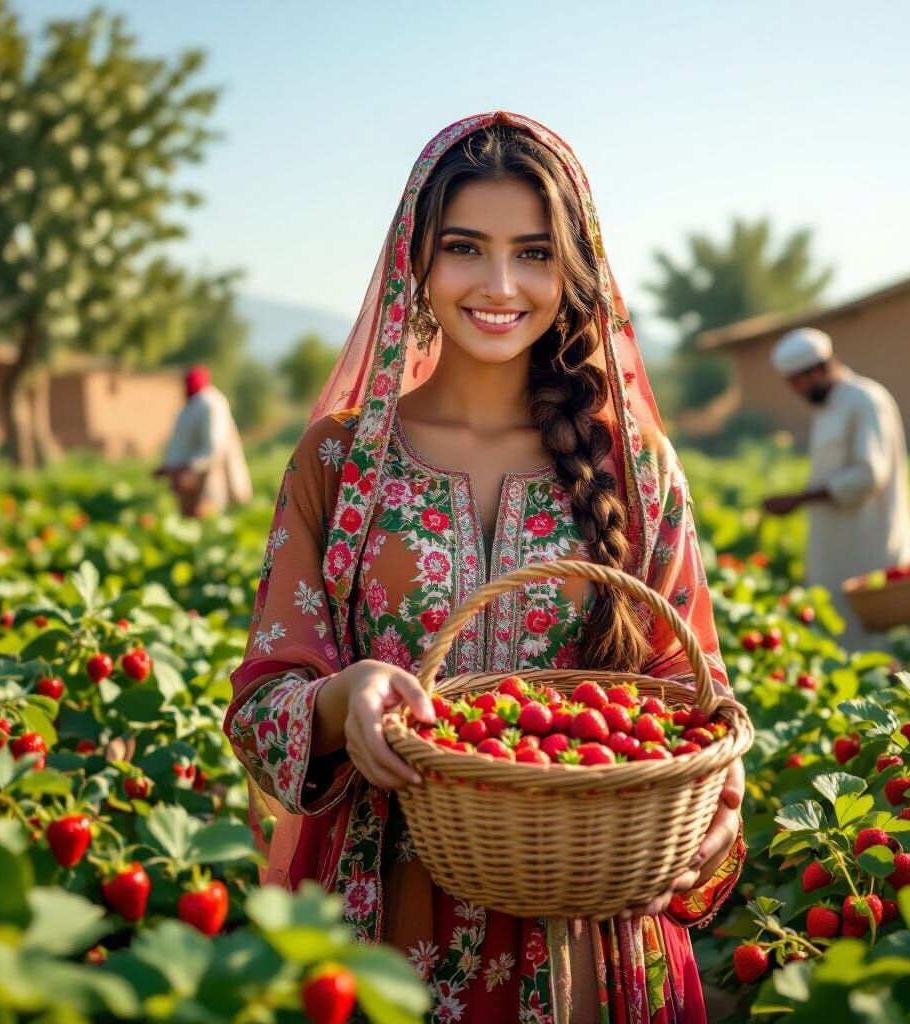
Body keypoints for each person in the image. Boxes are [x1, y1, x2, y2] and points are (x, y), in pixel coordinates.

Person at [225, 113, 746, 1023]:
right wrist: (342, 703)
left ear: (572, 271)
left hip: (588, 927)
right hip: (385, 925)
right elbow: (263, 707)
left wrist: (718, 801)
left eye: (535, 254)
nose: (501, 285)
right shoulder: (339, 464)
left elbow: (689, 697)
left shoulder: (636, 466)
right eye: (466, 247)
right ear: (415, 262)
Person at [762, 327, 910, 646]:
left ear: (819, 368)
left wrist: (800, 499)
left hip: (871, 548)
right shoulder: (828, 408)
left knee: (880, 648)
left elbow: (868, 475)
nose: (798, 391)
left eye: (799, 382)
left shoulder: (865, 400)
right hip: (836, 554)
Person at [156, 365, 253, 517]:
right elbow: (184, 442)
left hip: (206, 476)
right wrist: (170, 466)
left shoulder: (211, 403)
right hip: (189, 476)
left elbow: (214, 446)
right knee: (191, 519)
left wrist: (189, 468)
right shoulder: (192, 404)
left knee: (206, 517)